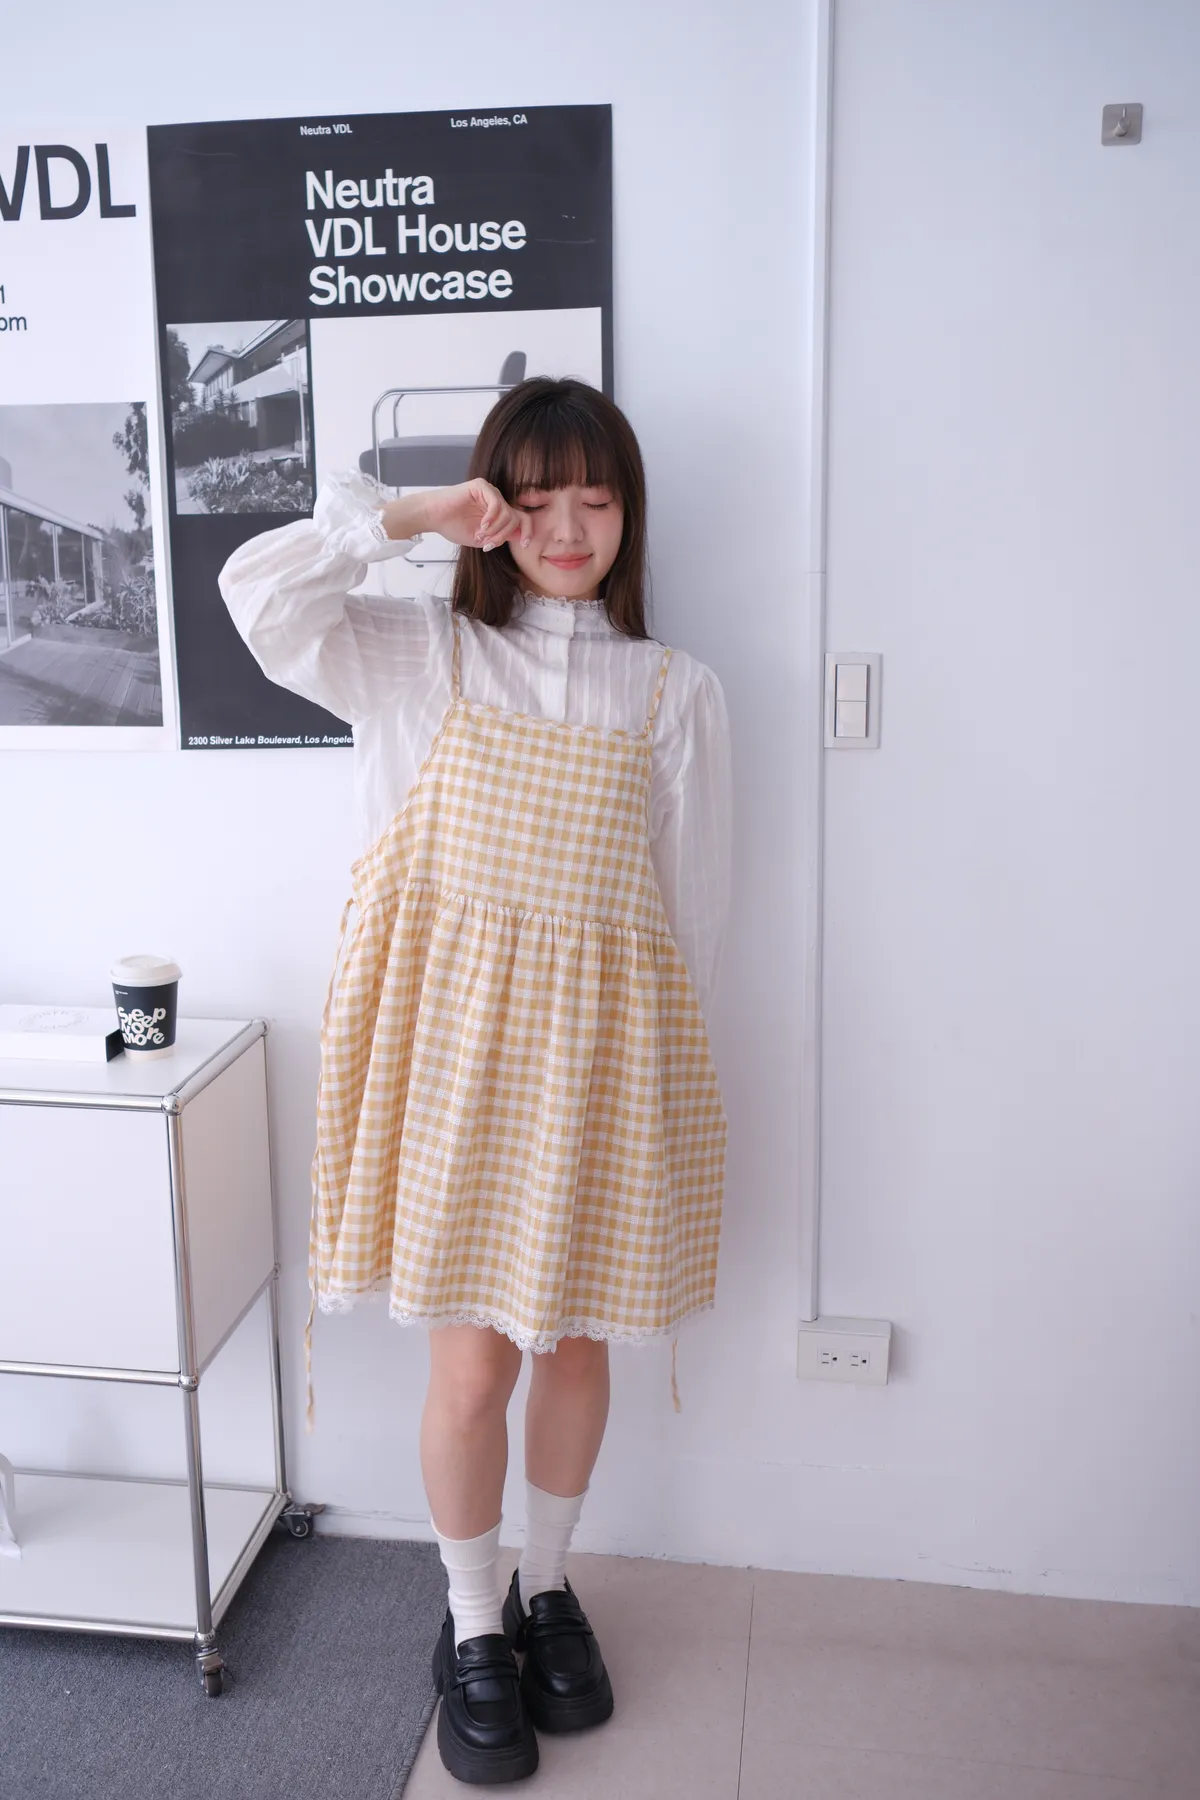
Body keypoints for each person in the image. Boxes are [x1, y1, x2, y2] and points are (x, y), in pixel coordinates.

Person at [217, 377, 731, 1784]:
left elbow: (694, 919)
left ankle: (549, 1584)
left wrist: (670, 1094)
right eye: (538, 496)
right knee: (472, 1363)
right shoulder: (418, 656)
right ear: (498, 507)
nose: (568, 527)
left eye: (597, 498)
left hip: (602, 1070)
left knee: (577, 1348)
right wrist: (414, 516)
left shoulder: (676, 691)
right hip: (450, 1073)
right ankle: (474, 1618)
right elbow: (258, 595)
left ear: (630, 514)